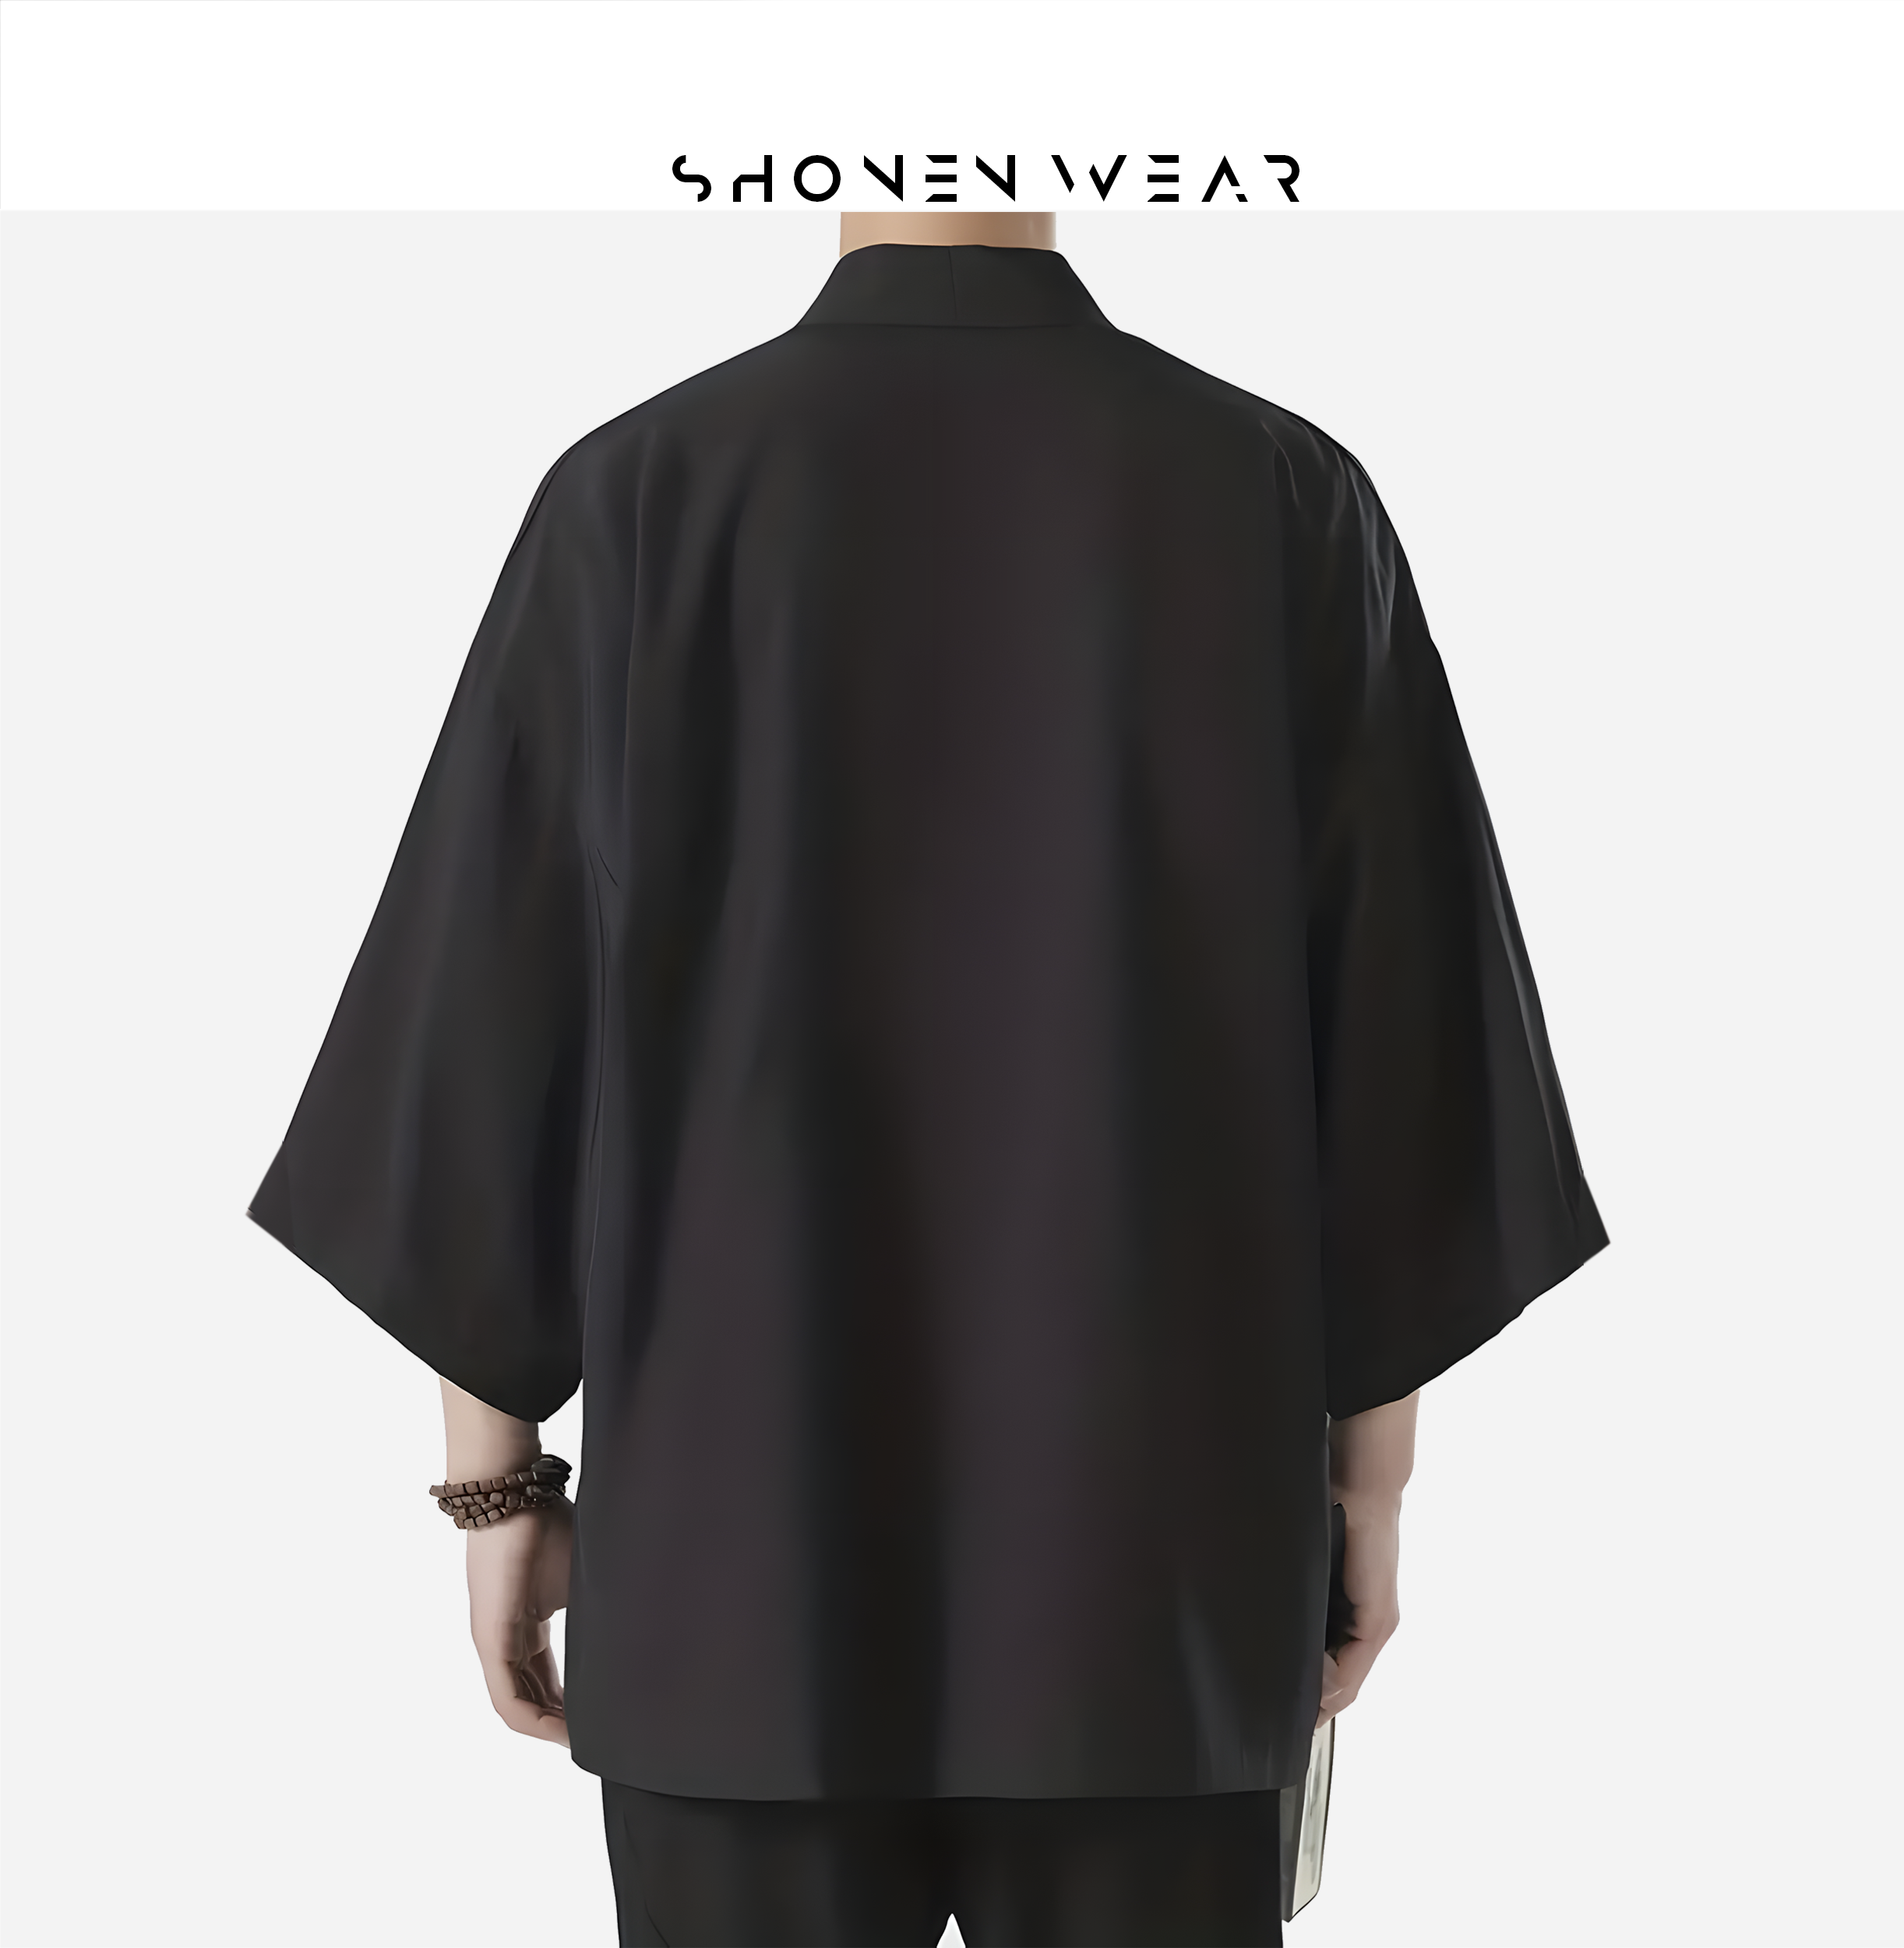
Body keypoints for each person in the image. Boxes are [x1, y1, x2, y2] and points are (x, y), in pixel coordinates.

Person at [249, 208, 1606, 1945]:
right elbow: (1404, 1044)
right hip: (1157, 1569)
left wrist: (498, 1488)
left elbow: (481, 1019)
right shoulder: (1276, 490)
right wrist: (1368, 1483)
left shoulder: (640, 489)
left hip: (735, 1579)